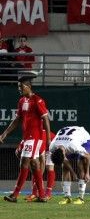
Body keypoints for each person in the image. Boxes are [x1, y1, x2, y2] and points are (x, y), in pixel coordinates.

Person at [0, 73, 51, 203]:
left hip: (35, 137)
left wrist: (48, 139)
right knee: (34, 164)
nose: (19, 89)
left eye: (20, 87)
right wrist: (5, 134)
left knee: (24, 161)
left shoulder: (37, 100)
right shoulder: (22, 101)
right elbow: (17, 120)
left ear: (28, 86)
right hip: (27, 137)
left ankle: (15, 195)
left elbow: (45, 118)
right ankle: (42, 195)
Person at [50, 126, 90, 205]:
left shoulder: (74, 146)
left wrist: (87, 173)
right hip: (68, 139)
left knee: (81, 163)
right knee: (65, 167)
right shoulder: (52, 146)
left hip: (84, 138)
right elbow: (64, 160)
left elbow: (88, 156)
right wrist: (73, 173)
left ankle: (81, 198)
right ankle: (67, 197)